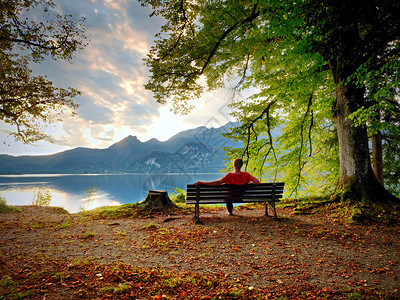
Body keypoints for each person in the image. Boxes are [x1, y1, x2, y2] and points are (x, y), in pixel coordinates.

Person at [194, 158, 260, 215]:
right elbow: (257, 182)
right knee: (233, 193)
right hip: (240, 197)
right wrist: (250, 182)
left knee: (228, 194)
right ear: (241, 166)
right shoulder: (246, 175)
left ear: (234, 165)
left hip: (230, 198)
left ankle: (230, 211)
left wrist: (202, 182)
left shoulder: (230, 175)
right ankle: (230, 210)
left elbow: (218, 183)